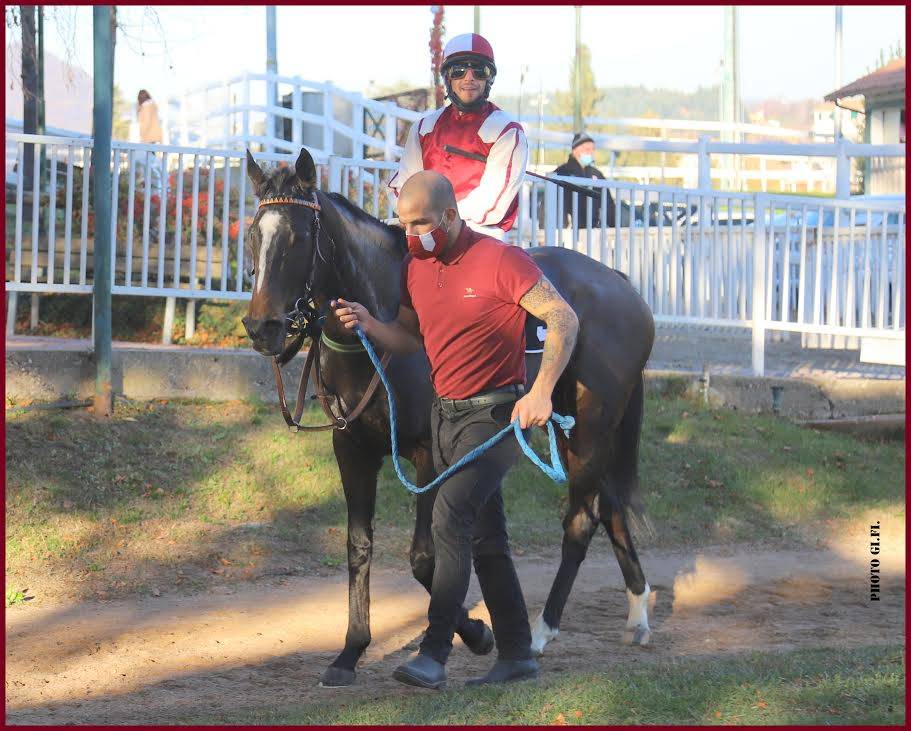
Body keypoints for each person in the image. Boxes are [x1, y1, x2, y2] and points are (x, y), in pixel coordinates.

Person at [332, 171, 579, 689]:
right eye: (403, 224)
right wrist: (370, 325)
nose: (410, 234)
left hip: (496, 418)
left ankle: (434, 653)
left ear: (449, 215)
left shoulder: (501, 260)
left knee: (448, 520)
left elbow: (563, 318)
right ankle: (516, 655)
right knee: (487, 539)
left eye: (419, 222)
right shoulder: (415, 268)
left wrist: (542, 392)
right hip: (444, 417)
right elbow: (410, 336)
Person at [388, 33, 528, 241]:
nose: (469, 77)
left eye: (479, 70)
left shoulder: (507, 131)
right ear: (448, 78)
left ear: (489, 78)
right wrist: (420, 219)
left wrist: (439, 221)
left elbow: (492, 204)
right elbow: (404, 187)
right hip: (424, 232)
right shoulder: (423, 128)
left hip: (480, 238)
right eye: (459, 70)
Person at [552, 131, 610, 227]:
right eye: (587, 149)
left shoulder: (597, 174)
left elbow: (608, 203)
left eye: (592, 149)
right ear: (575, 150)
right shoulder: (562, 172)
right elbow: (551, 202)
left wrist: (617, 225)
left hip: (592, 229)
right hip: (567, 230)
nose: (591, 153)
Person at [136, 89, 163, 196]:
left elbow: (145, 123)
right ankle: (154, 185)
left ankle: (151, 185)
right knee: (152, 161)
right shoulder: (152, 105)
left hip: (147, 137)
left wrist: (142, 136)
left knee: (147, 162)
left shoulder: (146, 107)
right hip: (154, 137)